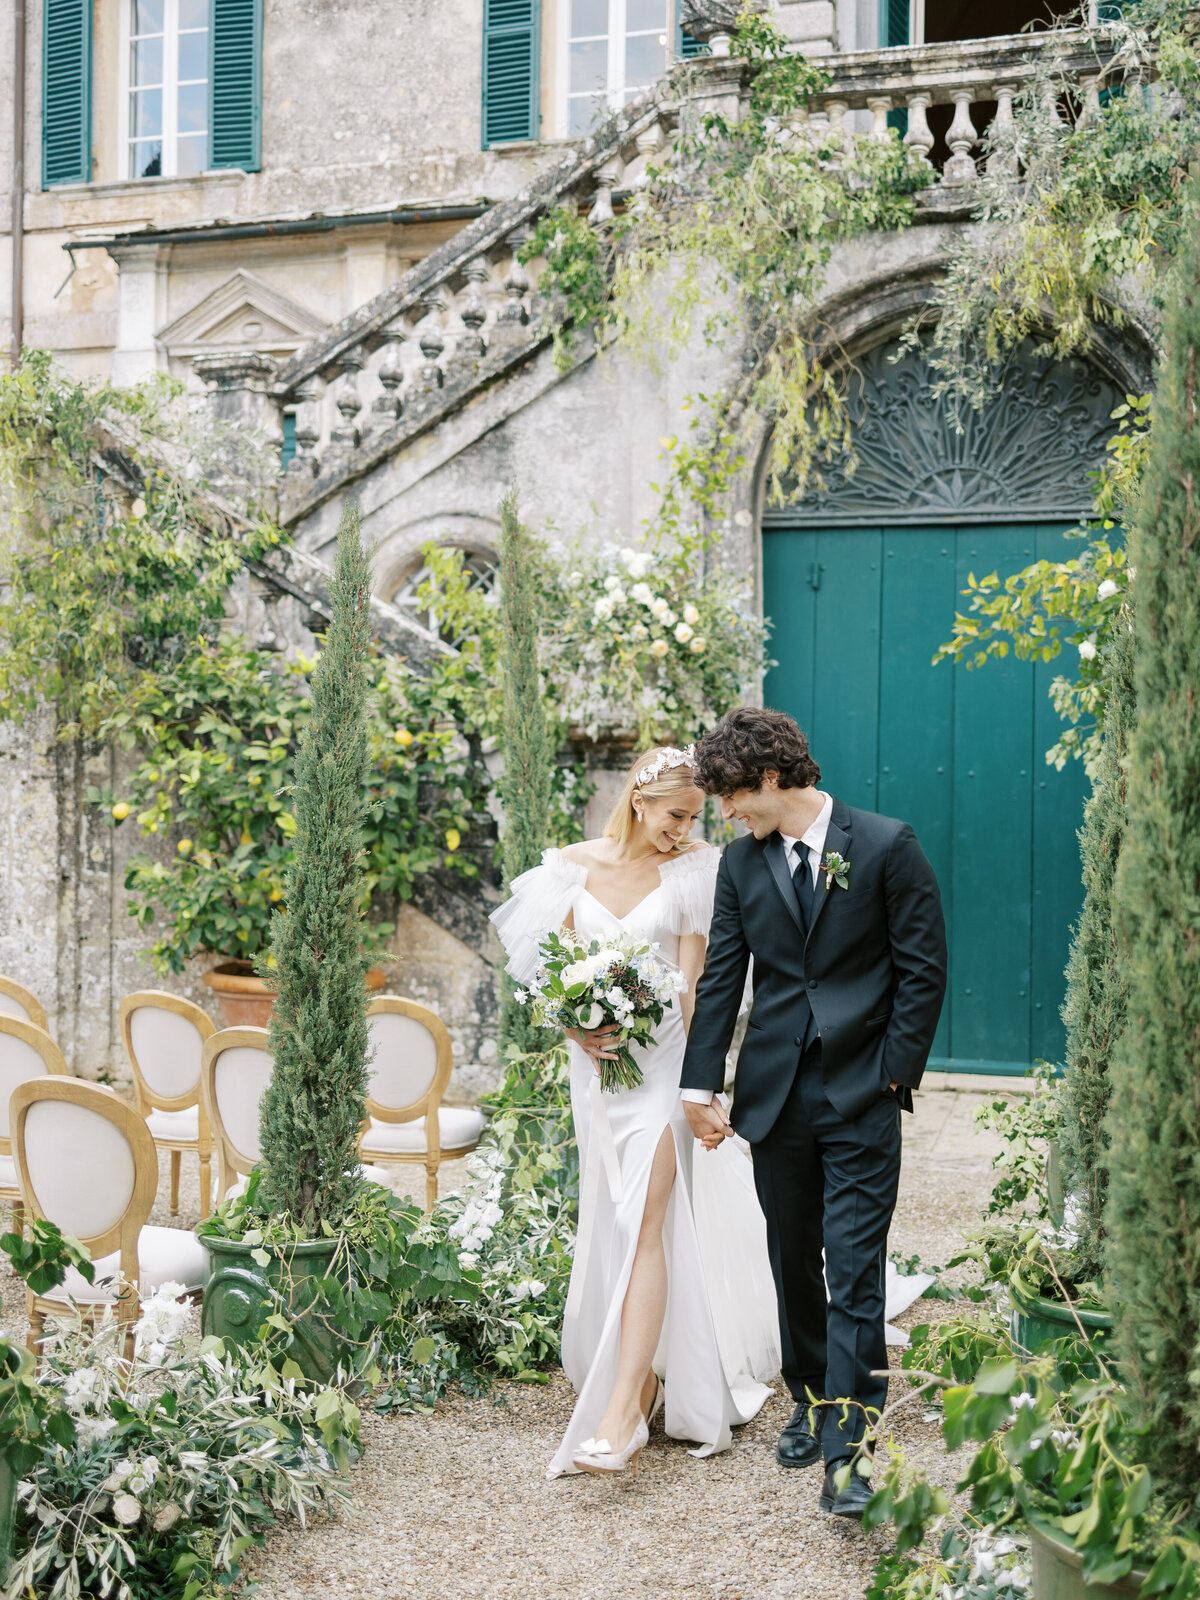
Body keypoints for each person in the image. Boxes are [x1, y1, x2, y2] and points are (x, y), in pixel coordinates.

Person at [680, 707, 947, 1519]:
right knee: (793, 1260)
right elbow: (724, 979)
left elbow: (922, 969)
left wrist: (893, 1077)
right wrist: (700, 1087)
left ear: (769, 779)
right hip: (776, 1099)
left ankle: (849, 1448)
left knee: (856, 1268)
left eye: (732, 797)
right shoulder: (740, 865)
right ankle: (805, 1397)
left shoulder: (887, 844)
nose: (727, 815)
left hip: (863, 1094)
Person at [490, 745, 779, 1479]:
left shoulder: (693, 872)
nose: (685, 830)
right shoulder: (566, 869)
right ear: (639, 800)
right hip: (597, 1074)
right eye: (676, 815)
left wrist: (703, 1085)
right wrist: (577, 1027)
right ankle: (645, 1367)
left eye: (694, 819)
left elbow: (696, 990)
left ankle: (623, 1412)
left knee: (645, 1221)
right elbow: (551, 977)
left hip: (663, 1071)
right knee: (615, 1216)